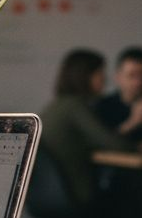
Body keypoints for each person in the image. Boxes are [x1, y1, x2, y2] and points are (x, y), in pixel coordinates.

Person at [39, 49, 133, 209]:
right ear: (85, 76)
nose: (105, 79)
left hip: (43, 195)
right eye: (100, 73)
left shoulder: (55, 107)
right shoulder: (75, 107)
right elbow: (118, 145)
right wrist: (135, 122)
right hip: (74, 194)